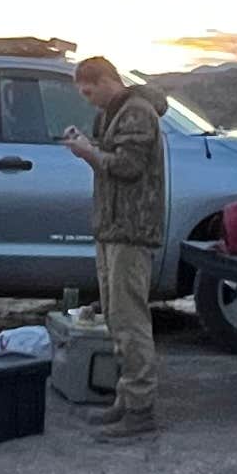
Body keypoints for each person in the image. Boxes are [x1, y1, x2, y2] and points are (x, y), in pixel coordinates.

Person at [63, 54, 167, 439]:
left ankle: (140, 410)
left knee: (130, 319)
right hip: (112, 228)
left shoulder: (136, 113)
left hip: (131, 230)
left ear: (107, 81)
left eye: (90, 92)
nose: (88, 100)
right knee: (115, 317)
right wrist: (88, 146)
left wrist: (89, 152)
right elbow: (112, 163)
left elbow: (128, 167)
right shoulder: (112, 114)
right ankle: (127, 398)